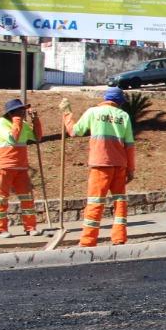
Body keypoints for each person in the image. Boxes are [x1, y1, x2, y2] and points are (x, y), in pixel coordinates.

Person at [61, 87, 135, 247]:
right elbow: (129, 145)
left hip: (100, 164)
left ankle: (88, 240)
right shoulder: (124, 116)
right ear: (120, 102)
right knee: (120, 201)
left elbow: (75, 131)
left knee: (95, 201)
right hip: (120, 164)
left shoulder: (93, 112)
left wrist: (67, 114)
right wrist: (131, 169)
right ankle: (119, 237)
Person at [0, 98, 42, 238]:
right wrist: (17, 121)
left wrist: (35, 120)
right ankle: (1, 229)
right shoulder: (1, 123)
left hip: (21, 167)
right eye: (20, 110)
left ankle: (30, 227)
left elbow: (37, 137)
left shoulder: (23, 124)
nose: (23, 112)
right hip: (3, 166)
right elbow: (12, 139)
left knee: (27, 198)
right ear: (11, 113)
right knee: (1, 199)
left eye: (23, 110)